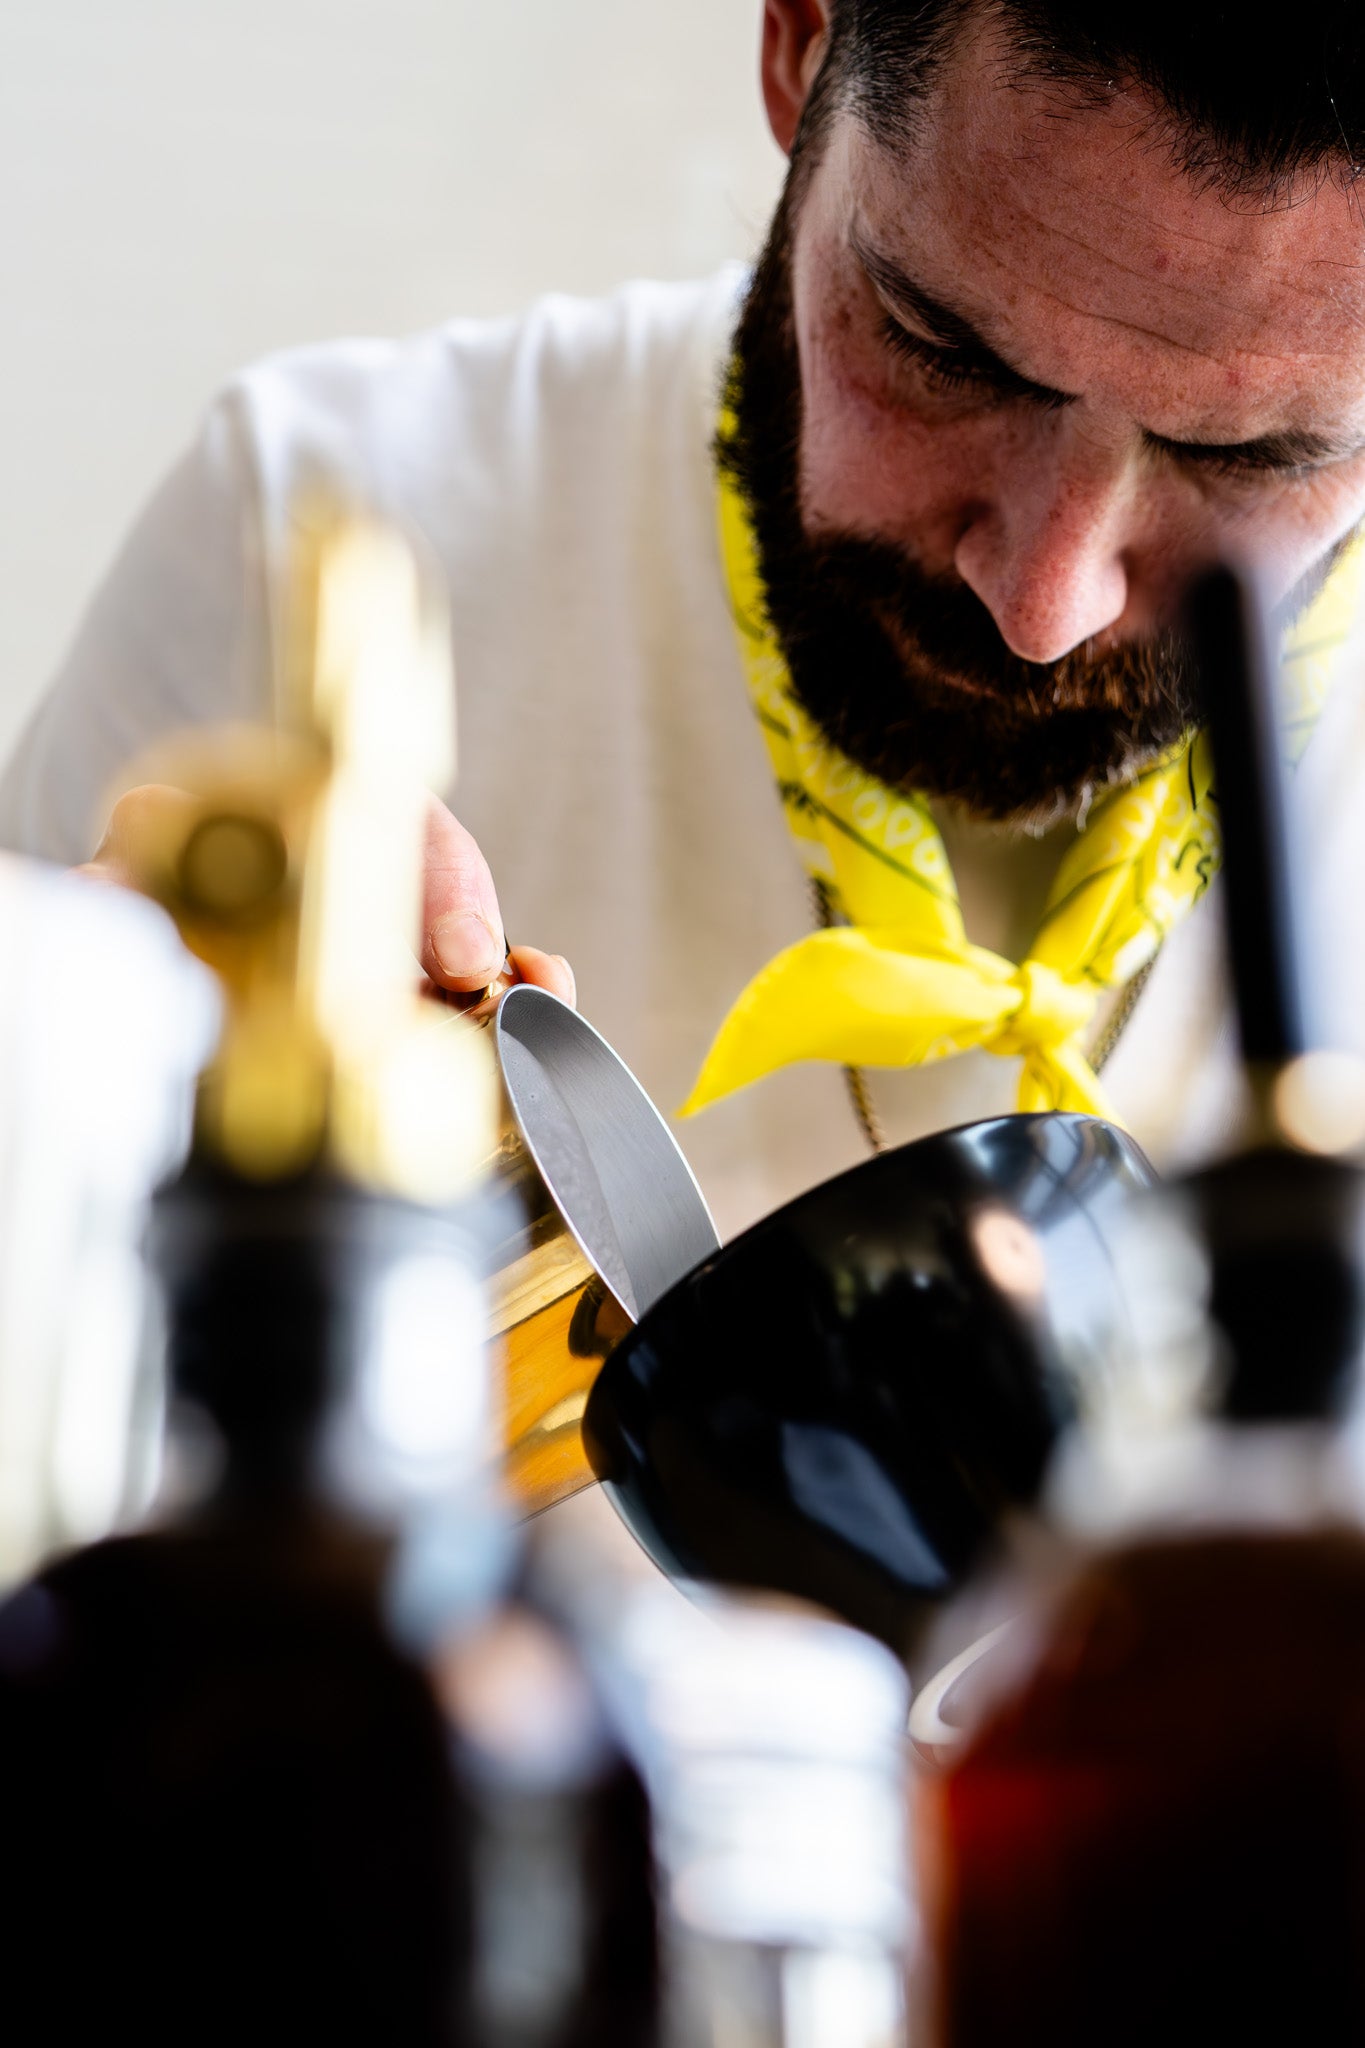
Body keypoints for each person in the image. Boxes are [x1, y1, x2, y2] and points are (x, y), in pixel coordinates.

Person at [5, 0, 1365, 1241]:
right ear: (796, 49)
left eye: (1252, 460)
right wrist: (49, 1090)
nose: (1039, 606)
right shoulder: (317, 534)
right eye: (941, 349)